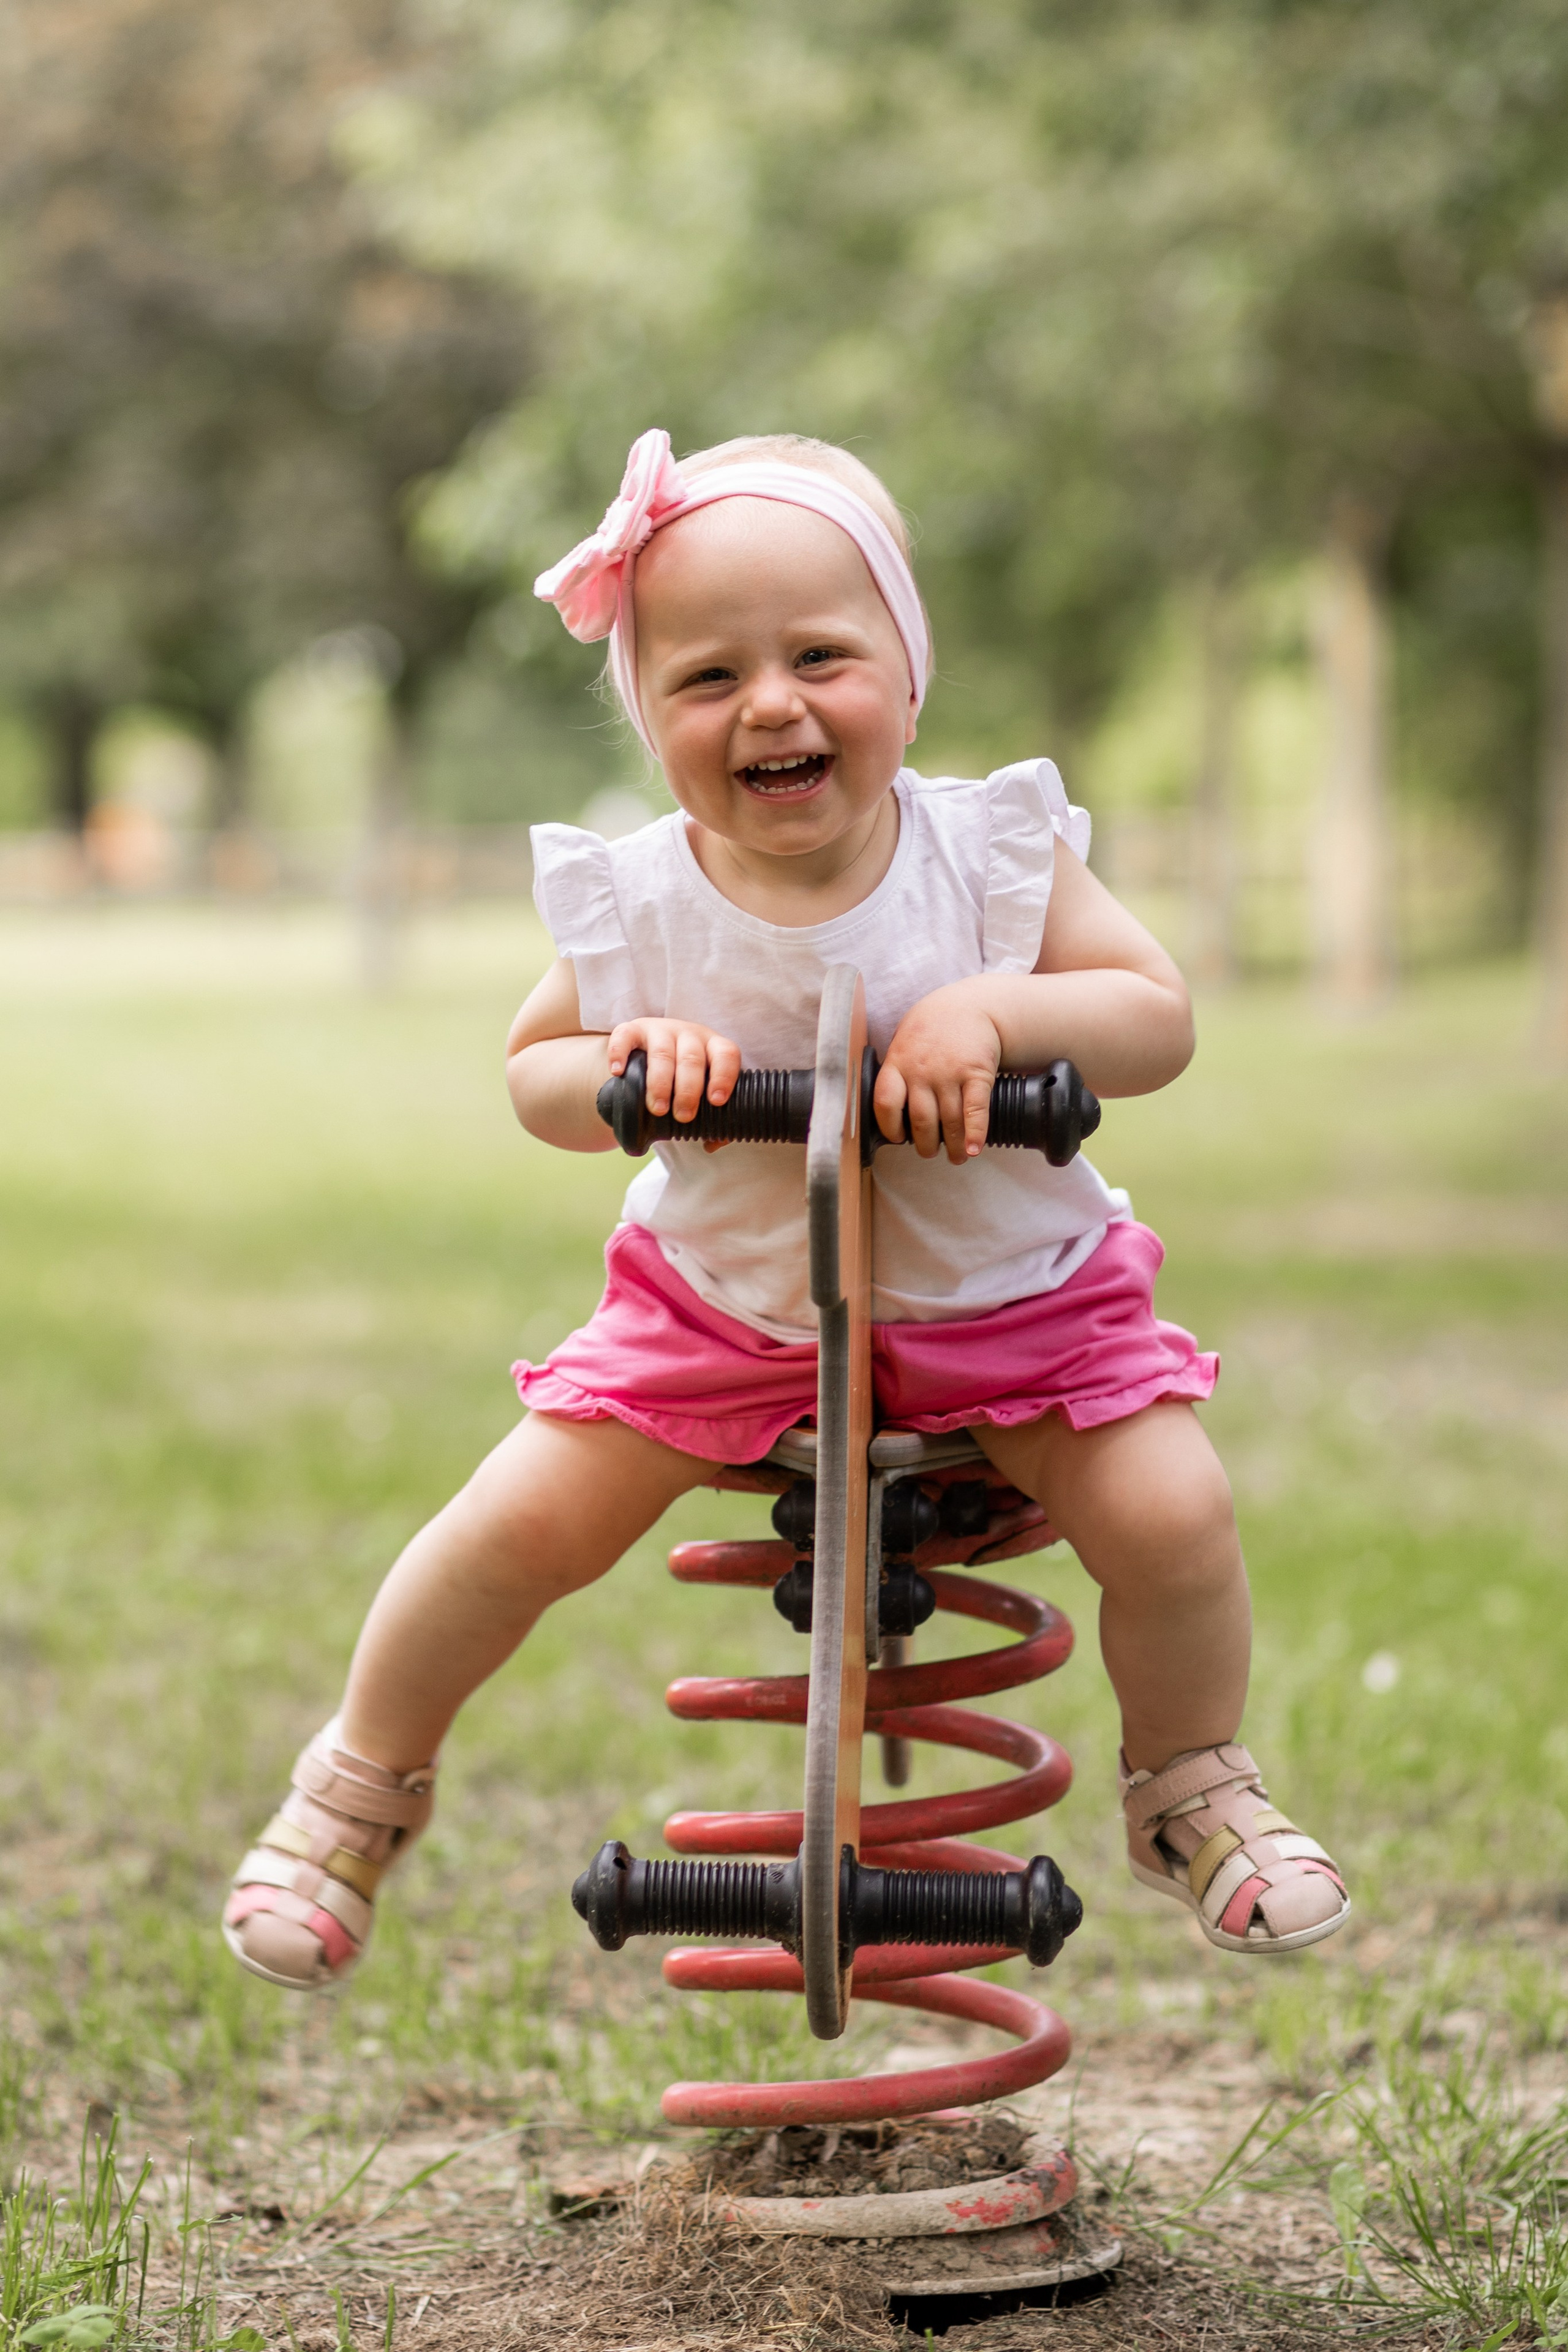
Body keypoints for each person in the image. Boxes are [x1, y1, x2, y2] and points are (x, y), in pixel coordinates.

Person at [223, 429, 1349, 1990]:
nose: (769, 703)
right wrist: (623, 1058)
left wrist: (997, 1020)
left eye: (820, 654)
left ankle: (1187, 1786)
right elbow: (534, 1075)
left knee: (1172, 1515)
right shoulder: (642, 899)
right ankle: (356, 1791)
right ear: (647, 714)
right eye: (702, 678)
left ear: (905, 670)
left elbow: (1153, 1018)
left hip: (1017, 1299)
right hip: (727, 1311)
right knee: (506, 1527)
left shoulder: (989, 857)